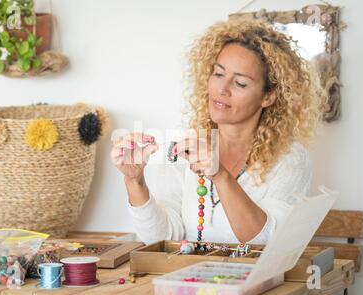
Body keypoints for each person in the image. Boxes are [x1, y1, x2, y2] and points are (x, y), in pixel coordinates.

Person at [111, 19, 323, 245]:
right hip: (191, 278)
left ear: (268, 96)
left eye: (240, 83)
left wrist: (220, 176)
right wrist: (135, 181)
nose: (222, 89)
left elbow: (268, 241)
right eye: (218, 74)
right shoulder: (186, 147)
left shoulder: (289, 158)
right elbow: (163, 238)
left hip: (255, 280)